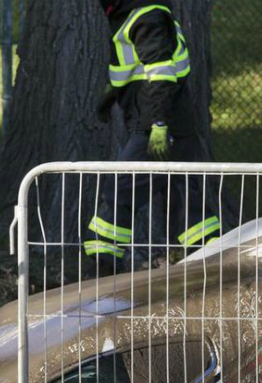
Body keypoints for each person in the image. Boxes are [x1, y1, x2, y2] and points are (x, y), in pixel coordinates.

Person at [86, 0, 222, 269]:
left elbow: (161, 74)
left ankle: (103, 260)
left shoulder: (147, 17)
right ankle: (213, 261)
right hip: (172, 124)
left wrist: (158, 123)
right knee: (184, 201)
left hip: (157, 126)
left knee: (121, 189)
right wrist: (114, 94)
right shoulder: (140, 13)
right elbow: (141, 67)